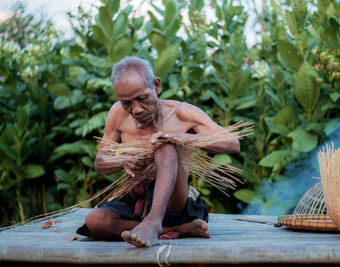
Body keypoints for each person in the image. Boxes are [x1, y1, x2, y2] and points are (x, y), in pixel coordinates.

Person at [79, 56, 240, 247]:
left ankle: (154, 221)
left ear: (156, 86)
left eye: (141, 98)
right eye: (126, 102)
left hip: (175, 201)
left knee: (165, 146)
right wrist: (122, 162)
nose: (136, 109)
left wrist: (181, 137)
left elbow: (232, 143)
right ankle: (181, 228)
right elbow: (100, 162)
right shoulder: (117, 113)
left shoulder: (181, 113)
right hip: (136, 197)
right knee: (95, 221)